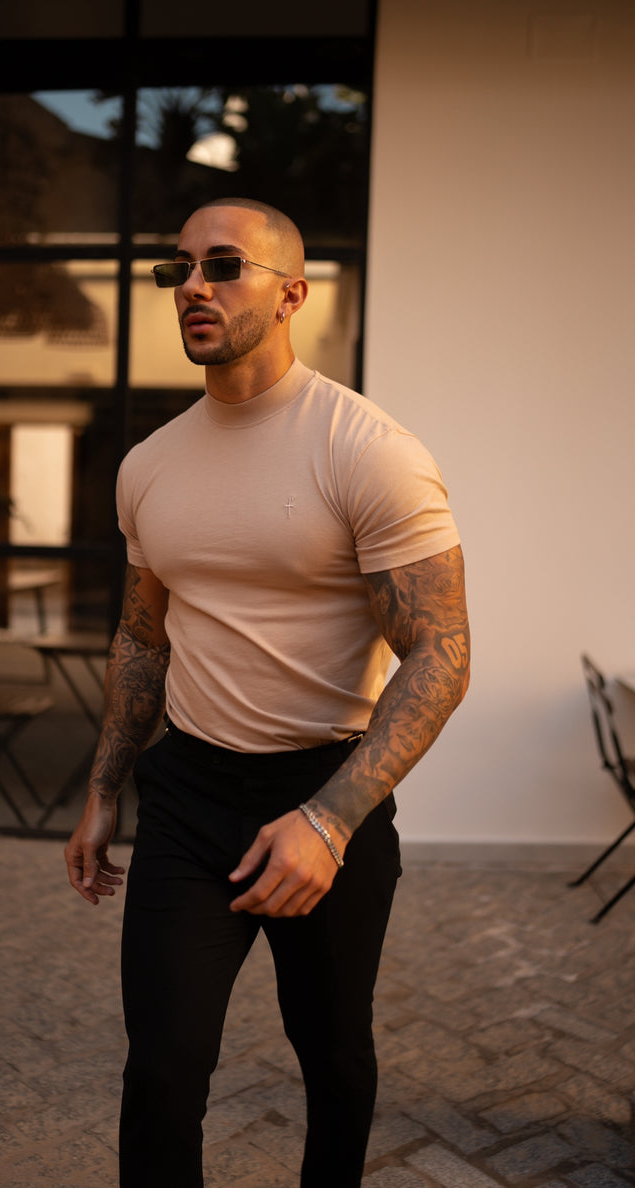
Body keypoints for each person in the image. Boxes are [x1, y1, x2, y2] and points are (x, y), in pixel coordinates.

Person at [64, 197, 470, 1188]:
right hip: (189, 799)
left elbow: (440, 653)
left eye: (222, 265)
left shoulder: (367, 450)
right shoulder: (149, 465)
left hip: (325, 789)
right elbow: (141, 637)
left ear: (292, 295)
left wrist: (328, 823)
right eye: (178, 269)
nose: (193, 286)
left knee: (333, 1057)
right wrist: (104, 789)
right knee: (160, 1073)